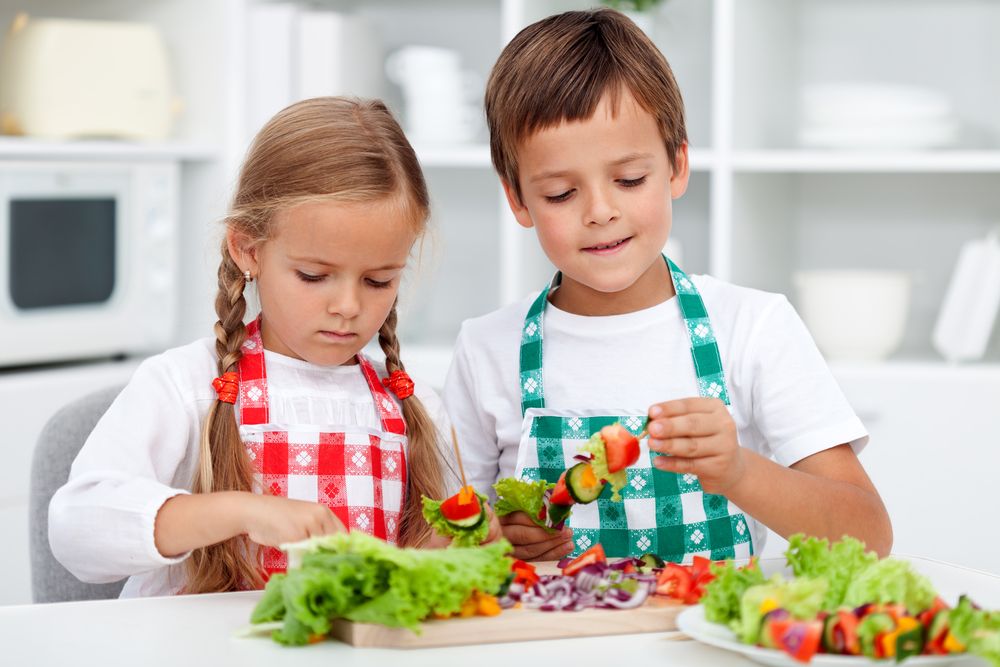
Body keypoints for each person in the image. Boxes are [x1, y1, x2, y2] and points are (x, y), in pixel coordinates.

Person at [443, 9, 892, 563]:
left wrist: (740, 471)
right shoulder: (487, 348)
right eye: (561, 193)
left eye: (630, 180)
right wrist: (498, 538)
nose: (601, 211)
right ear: (517, 198)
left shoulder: (752, 327)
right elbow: (444, 534)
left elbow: (869, 534)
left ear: (678, 166)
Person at [49, 97, 499, 597]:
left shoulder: (414, 406)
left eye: (378, 280)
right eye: (314, 275)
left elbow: (449, 550)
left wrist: (464, 544)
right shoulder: (186, 386)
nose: (348, 305)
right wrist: (238, 511)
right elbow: (76, 530)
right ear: (248, 249)